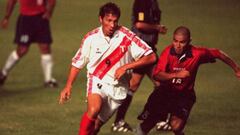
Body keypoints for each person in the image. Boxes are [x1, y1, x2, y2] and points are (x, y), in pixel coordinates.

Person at [58, 2, 157, 135]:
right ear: (101, 19)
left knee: (95, 127)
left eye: (115, 21)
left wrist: (126, 67)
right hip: (98, 80)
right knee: (94, 109)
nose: (112, 25)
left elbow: (151, 57)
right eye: (108, 20)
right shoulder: (90, 38)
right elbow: (77, 63)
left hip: (119, 89)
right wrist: (68, 86)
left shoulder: (127, 36)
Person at [136, 26, 240, 135]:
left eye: (182, 42)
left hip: (184, 95)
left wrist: (236, 68)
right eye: (175, 41)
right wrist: (176, 75)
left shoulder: (197, 53)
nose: (178, 45)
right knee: (148, 124)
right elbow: (157, 75)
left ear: (189, 41)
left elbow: (218, 53)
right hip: (164, 93)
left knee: (176, 126)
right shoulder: (167, 52)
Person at [111, 0, 168, 132]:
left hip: (147, 49)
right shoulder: (142, 2)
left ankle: (119, 121)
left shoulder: (152, 2)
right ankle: (158, 119)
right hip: (142, 51)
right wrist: (158, 28)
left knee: (137, 85)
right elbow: (139, 24)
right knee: (161, 82)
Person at [0, 0, 57, 87]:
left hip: (41, 19)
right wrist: (7, 17)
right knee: (22, 50)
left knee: (45, 47)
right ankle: (3, 72)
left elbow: (52, 1)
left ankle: (48, 80)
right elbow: (12, 1)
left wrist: (49, 12)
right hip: (26, 20)